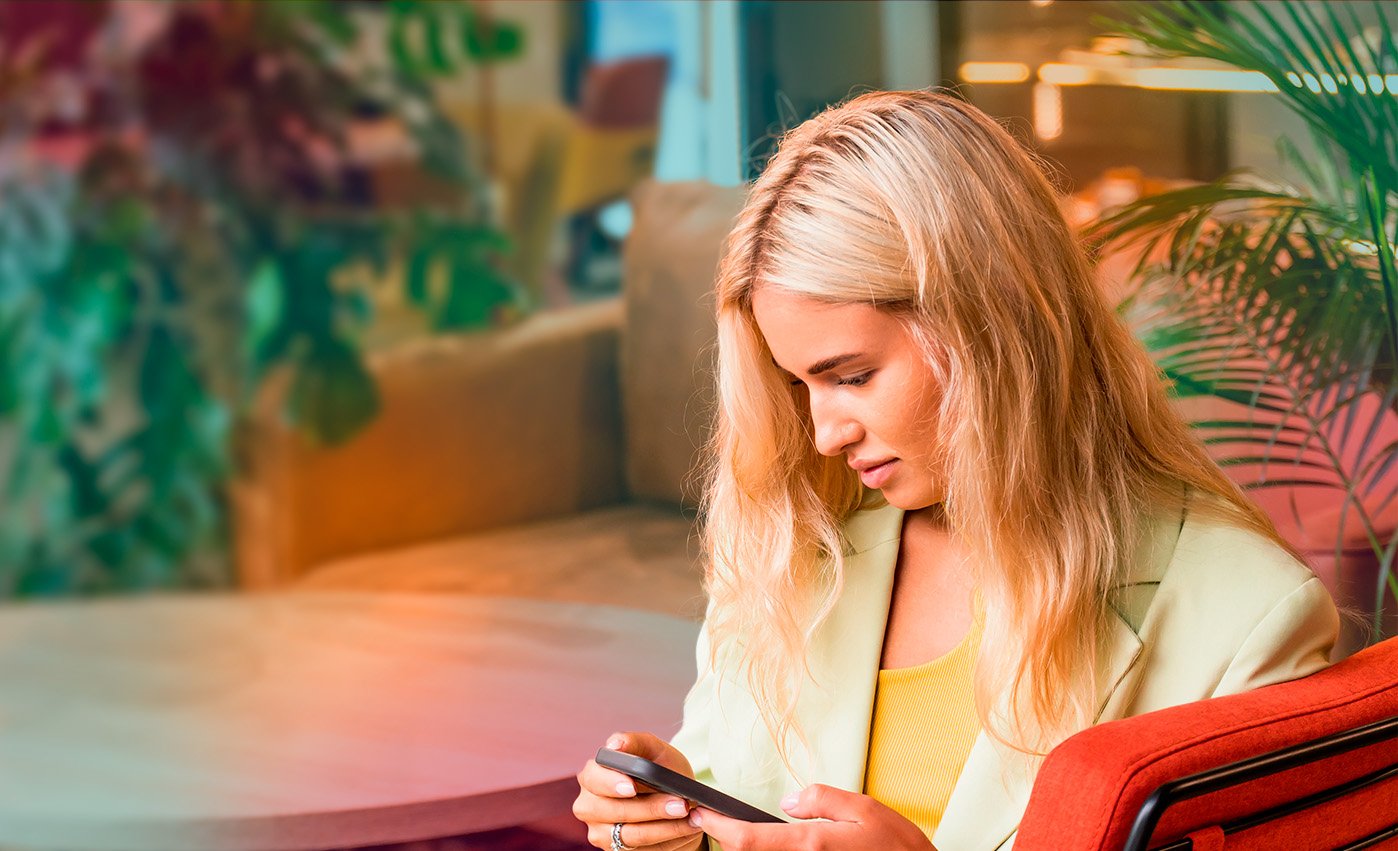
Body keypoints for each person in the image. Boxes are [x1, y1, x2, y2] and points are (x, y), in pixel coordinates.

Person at [572, 89, 1339, 851]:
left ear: (989, 322)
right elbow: (730, 784)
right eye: (797, 384)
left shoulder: (1247, 617)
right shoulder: (794, 546)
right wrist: (660, 827)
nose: (824, 434)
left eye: (851, 375)